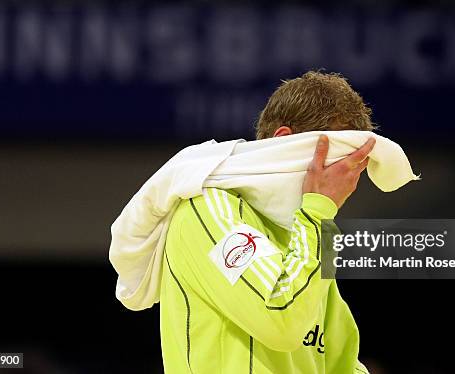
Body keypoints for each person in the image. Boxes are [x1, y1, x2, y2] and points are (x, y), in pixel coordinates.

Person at [160, 71, 375, 373]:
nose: (345, 181)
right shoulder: (209, 210)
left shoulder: (306, 235)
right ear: (284, 142)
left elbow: (340, 363)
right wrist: (316, 212)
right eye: (335, 158)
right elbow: (281, 321)